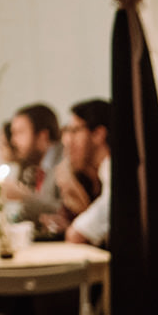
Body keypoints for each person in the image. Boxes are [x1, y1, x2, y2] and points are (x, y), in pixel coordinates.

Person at [57, 99, 111, 245]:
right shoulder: (89, 174)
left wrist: (78, 230)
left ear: (98, 134)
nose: (66, 140)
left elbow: (109, 205)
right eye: (66, 131)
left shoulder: (112, 169)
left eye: (74, 131)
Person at [5, 102, 63, 221]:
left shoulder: (64, 163)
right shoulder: (34, 165)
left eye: (20, 132)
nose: (13, 141)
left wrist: (24, 197)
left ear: (43, 136)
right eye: (13, 134)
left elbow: (65, 212)